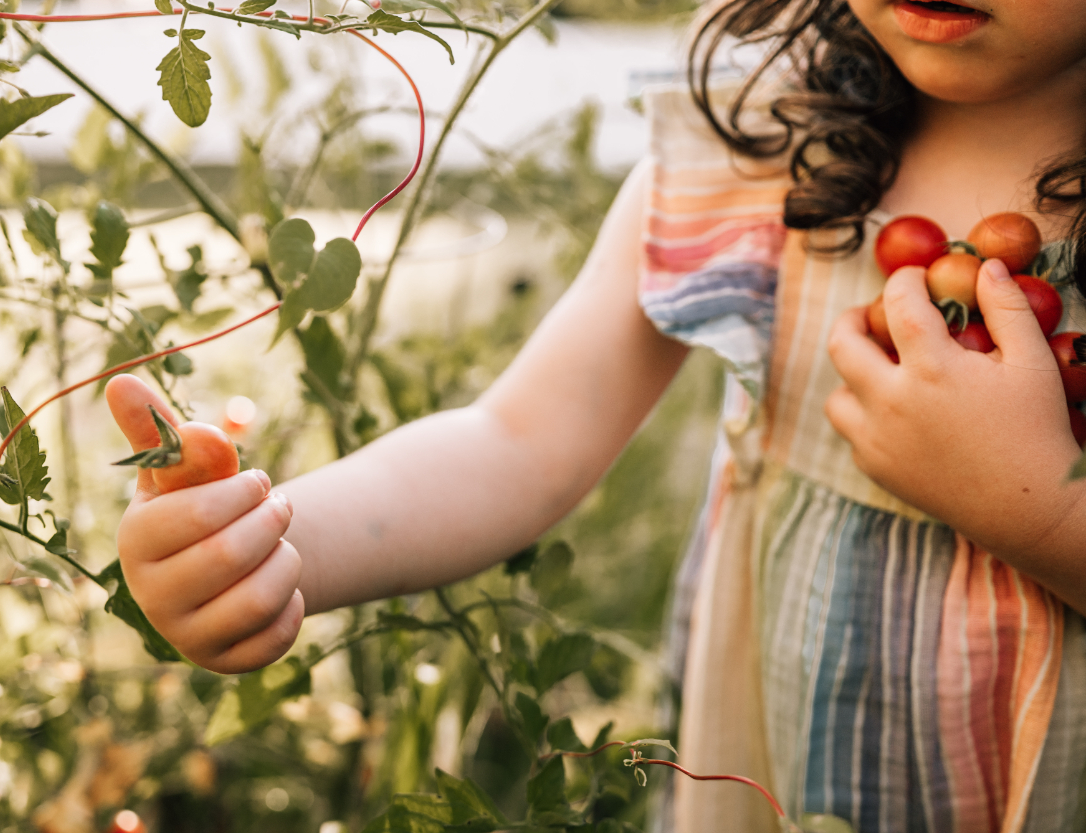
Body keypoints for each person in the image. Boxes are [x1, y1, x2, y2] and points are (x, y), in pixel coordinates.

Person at [105, 0, 1086, 829]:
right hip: (785, 761)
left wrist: (1039, 513)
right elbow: (518, 441)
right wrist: (278, 543)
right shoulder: (769, 133)